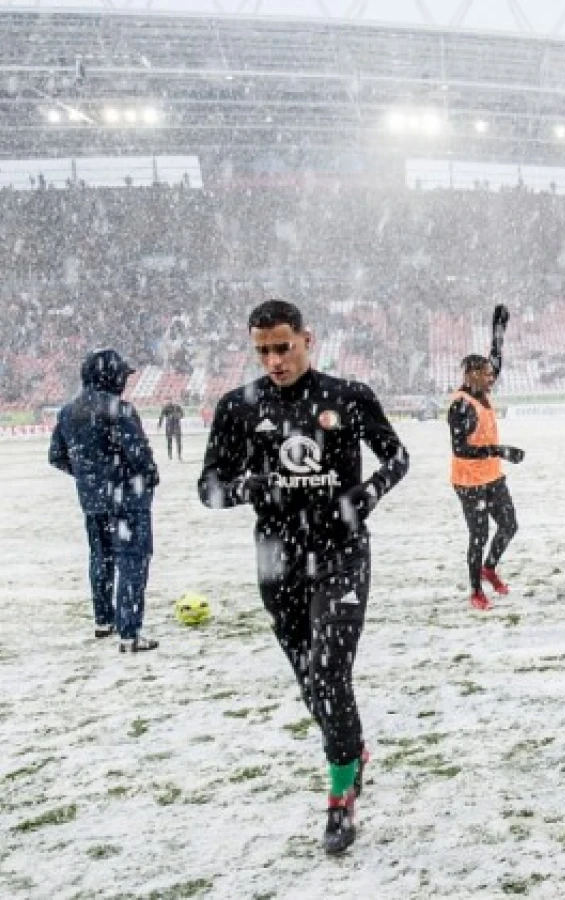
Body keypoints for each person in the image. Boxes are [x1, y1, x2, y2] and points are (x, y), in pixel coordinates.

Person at [198, 300, 410, 855]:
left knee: (329, 671)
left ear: (307, 340)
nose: (274, 360)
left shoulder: (349, 397)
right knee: (310, 682)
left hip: (340, 555)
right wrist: (247, 488)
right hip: (278, 560)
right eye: (263, 350)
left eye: (283, 346)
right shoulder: (238, 408)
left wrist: (369, 493)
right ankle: (352, 746)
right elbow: (208, 487)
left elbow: (398, 457)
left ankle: (340, 798)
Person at [48, 349, 160, 651]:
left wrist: (88, 478)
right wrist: (149, 477)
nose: (125, 381)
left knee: (101, 558)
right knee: (133, 560)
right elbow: (138, 456)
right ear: (111, 377)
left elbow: (56, 456)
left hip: (92, 501)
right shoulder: (119, 409)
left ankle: (103, 620)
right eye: (122, 375)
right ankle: (129, 633)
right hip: (127, 500)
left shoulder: (67, 412)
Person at [449, 354, 525, 611]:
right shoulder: (461, 405)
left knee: (509, 525)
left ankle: (488, 568)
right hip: (469, 482)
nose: (491, 378)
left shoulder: (482, 391)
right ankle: (476, 591)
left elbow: (496, 365)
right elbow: (460, 449)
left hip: (492, 477)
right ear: (471, 374)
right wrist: (499, 450)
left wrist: (498, 336)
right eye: (485, 374)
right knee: (479, 535)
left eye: (491, 374)